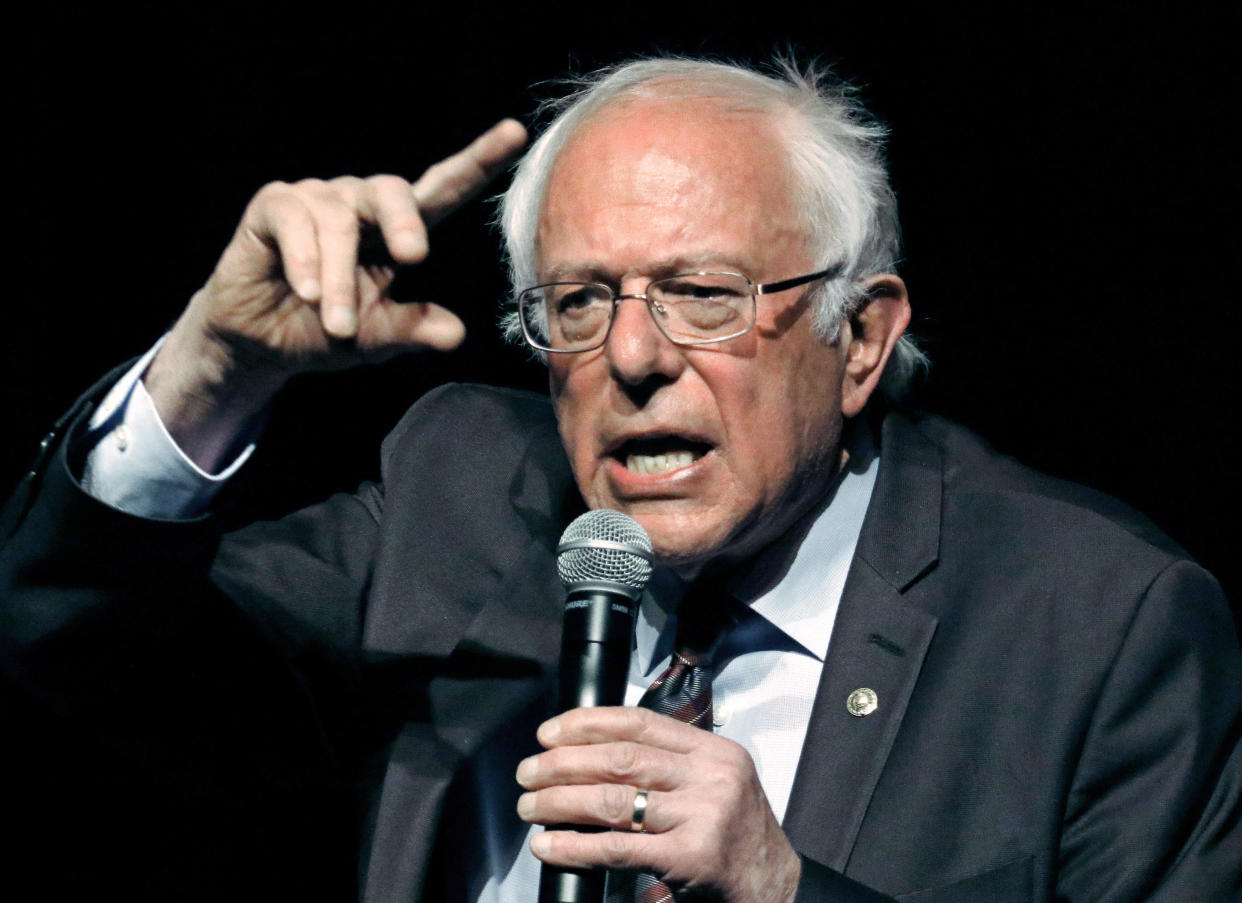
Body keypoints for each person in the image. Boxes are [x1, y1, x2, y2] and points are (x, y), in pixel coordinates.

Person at [2, 57, 1238, 903]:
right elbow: (82, 656)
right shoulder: (466, 494)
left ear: (860, 340)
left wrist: (781, 886)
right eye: (579, 302)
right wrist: (211, 374)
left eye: (705, 294)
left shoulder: (1098, 622)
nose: (634, 357)